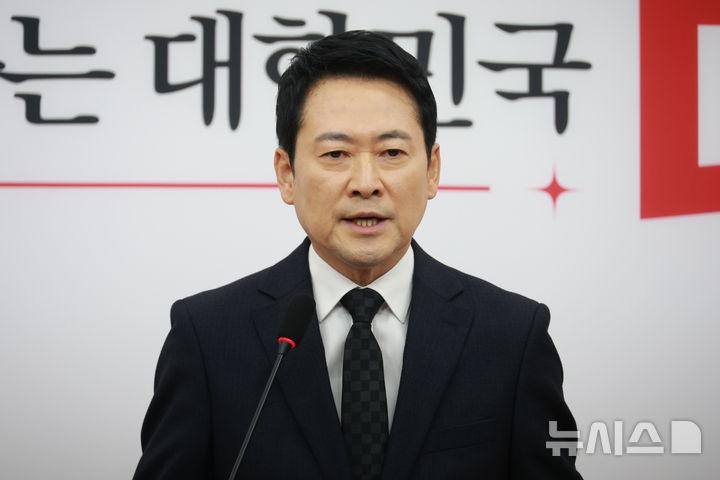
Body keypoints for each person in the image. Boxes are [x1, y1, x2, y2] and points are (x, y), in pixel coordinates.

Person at [133, 30, 583, 480]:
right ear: (287, 174)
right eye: (336, 153)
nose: (366, 183)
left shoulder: (512, 336)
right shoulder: (208, 337)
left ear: (432, 169)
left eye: (392, 152)